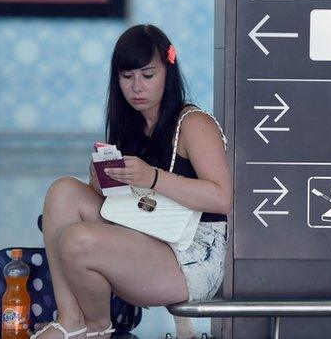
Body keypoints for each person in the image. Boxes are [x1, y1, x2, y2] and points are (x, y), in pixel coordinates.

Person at [32, 24, 232, 339]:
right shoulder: (132, 125)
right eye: (127, 77)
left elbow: (222, 198)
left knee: (78, 240)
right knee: (63, 192)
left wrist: (151, 177)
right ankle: (70, 319)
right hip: (148, 230)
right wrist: (102, 181)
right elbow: (130, 203)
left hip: (193, 253)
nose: (137, 87)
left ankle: (98, 328)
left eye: (148, 76)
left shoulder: (194, 123)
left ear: (168, 72)